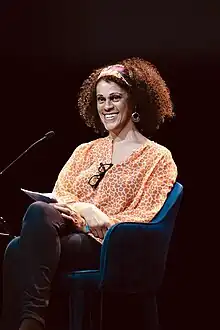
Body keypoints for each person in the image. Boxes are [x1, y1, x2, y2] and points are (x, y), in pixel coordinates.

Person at [0, 57, 177, 330]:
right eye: (100, 99)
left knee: (20, 250)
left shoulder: (157, 157)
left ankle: (32, 322)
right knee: (37, 213)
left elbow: (146, 213)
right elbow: (61, 194)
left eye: (115, 98)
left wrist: (94, 220)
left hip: (111, 245)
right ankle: (31, 321)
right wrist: (86, 211)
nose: (107, 107)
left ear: (135, 102)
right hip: (67, 234)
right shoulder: (85, 151)